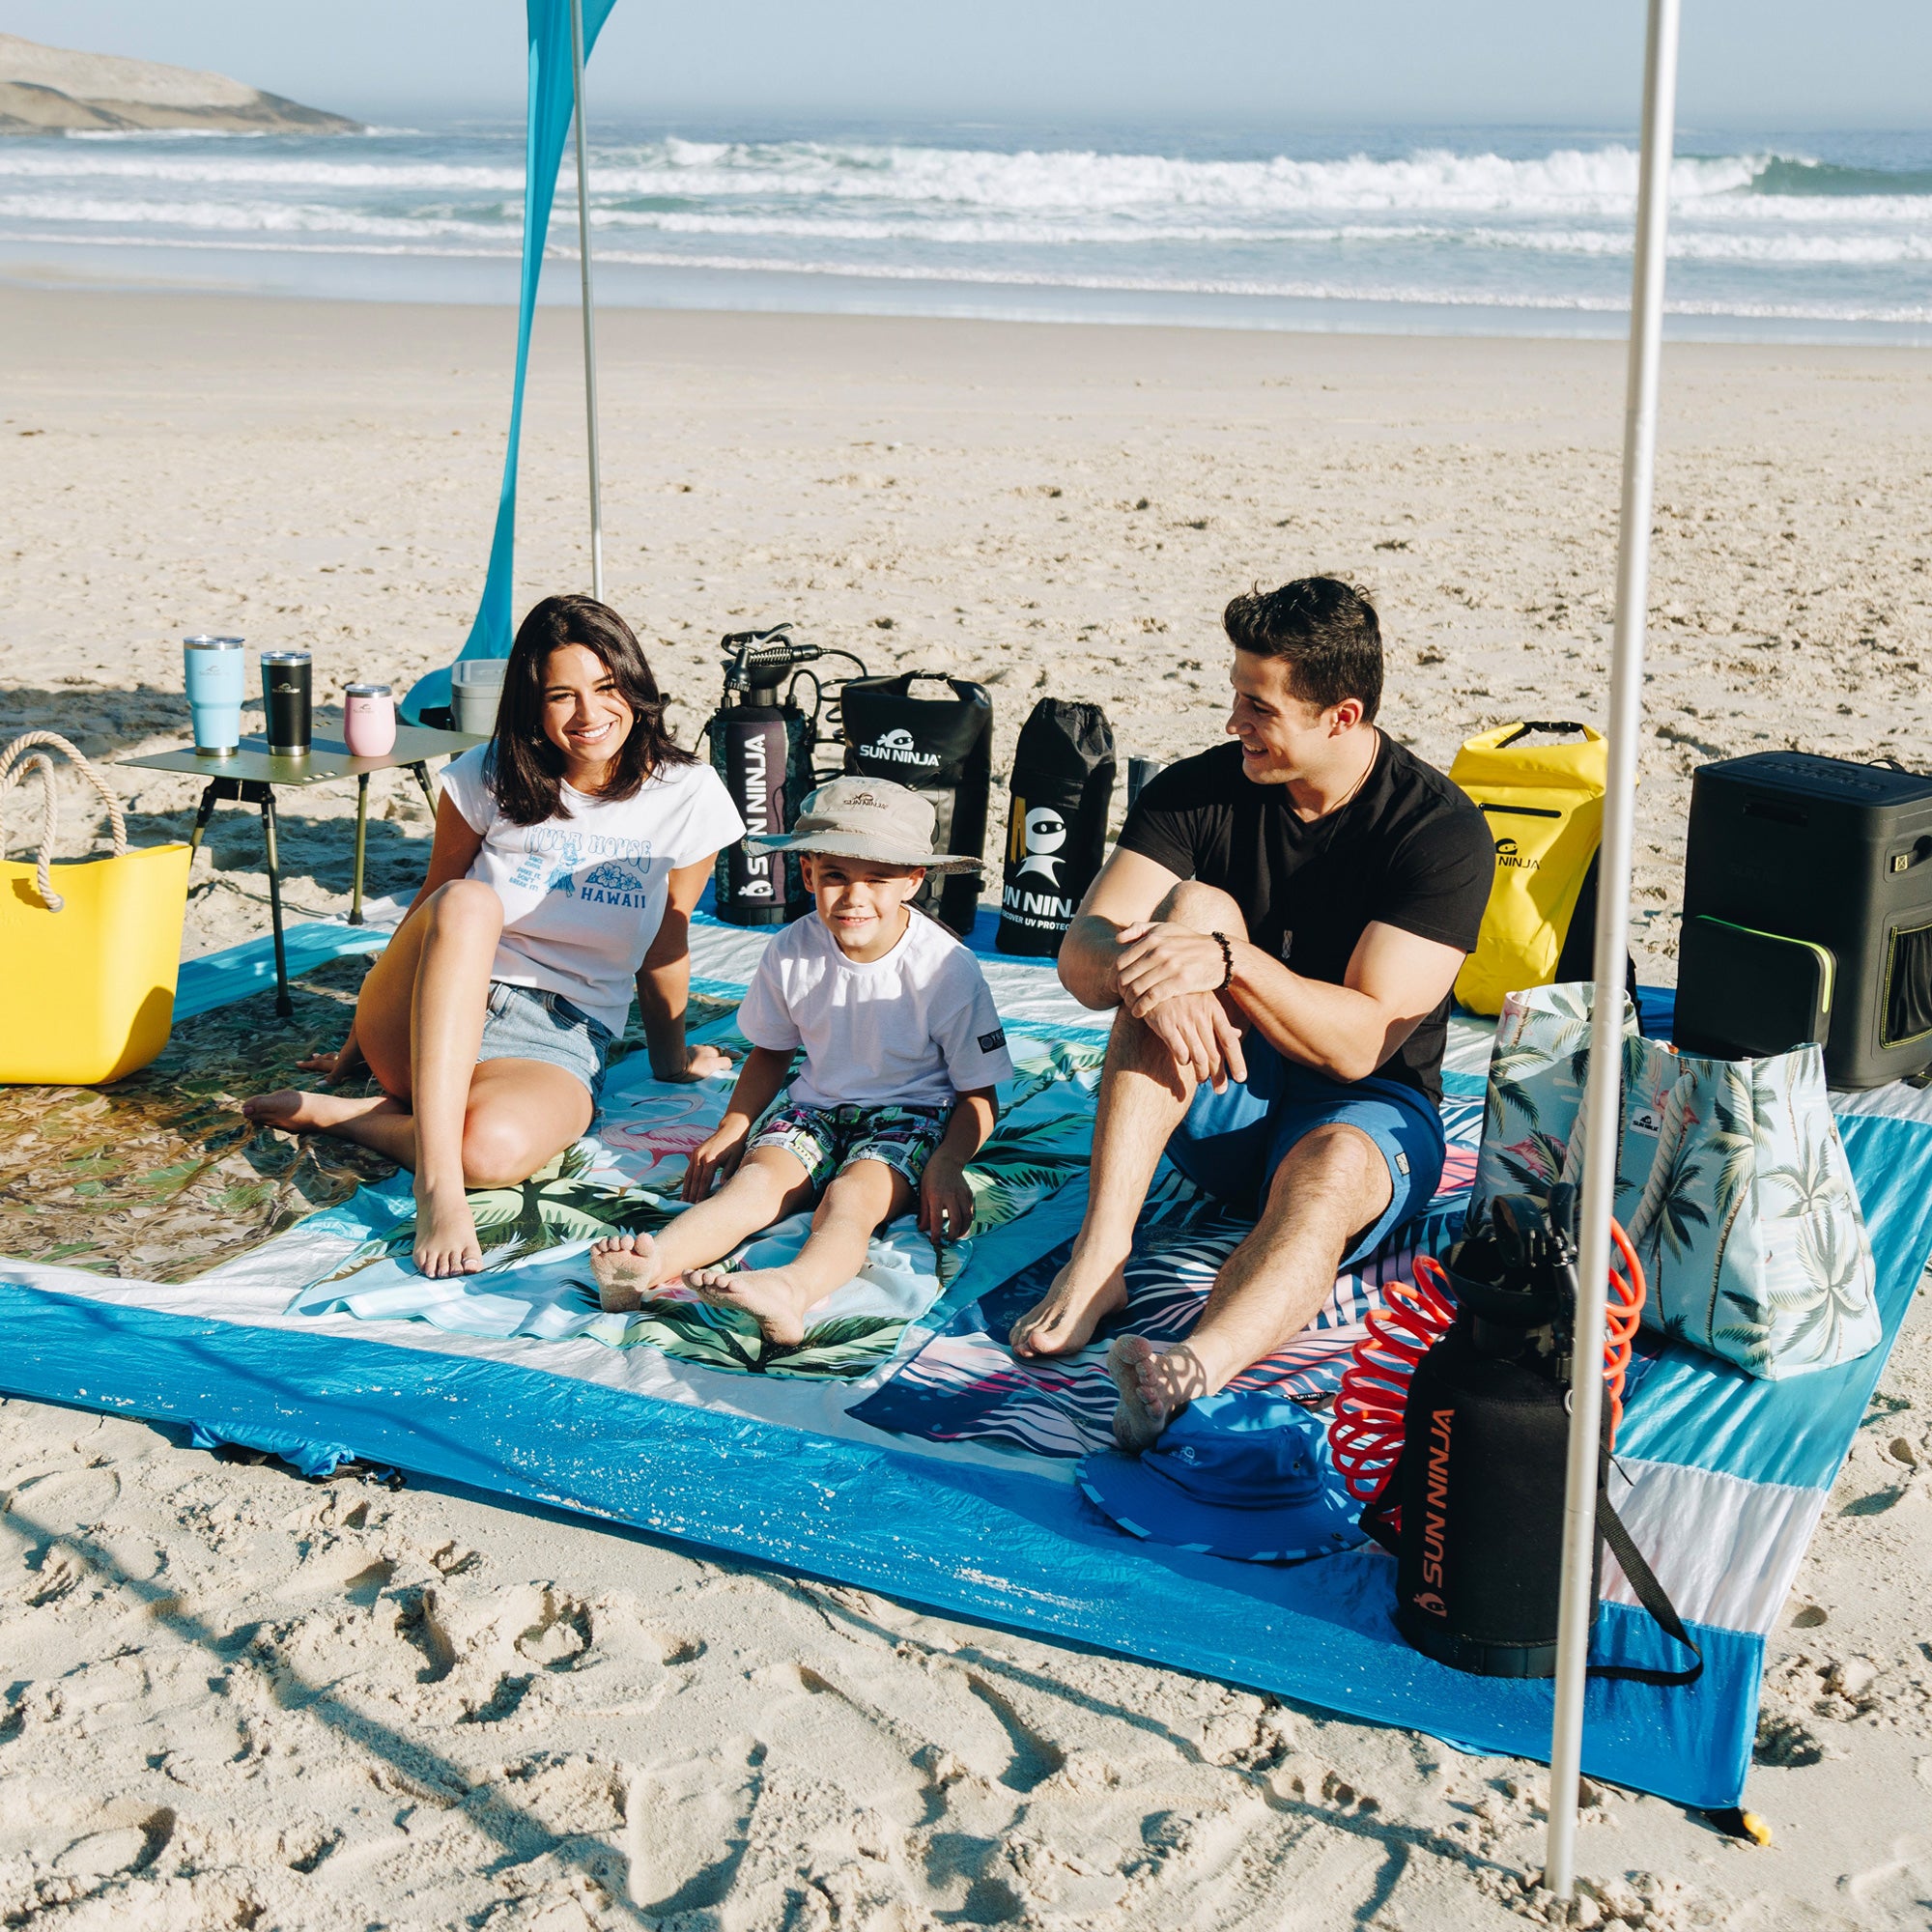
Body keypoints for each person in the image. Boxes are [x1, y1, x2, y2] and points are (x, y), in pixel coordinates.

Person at [1008, 577, 1494, 1450]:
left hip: (1368, 1116)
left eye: (1258, 706)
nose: (1234, 720)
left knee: (1329, 1166)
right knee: (1184, 913)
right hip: (1220, 1095)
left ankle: (1187, 1370)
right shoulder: (1201, 791)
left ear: (1341, 716)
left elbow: (1358, 1045)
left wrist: (1231, 963)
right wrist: (1159, 961)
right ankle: (1102, 1257)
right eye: (1236, 692)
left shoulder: (1438, 832)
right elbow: (1080, 958)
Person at [244, 594, 746, 1277]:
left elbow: (667, 935)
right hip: (430, 1007)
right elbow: (435, 902)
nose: (589, 715)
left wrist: (672, 1059)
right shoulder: (486, 771)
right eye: (561, 696)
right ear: (531, 706)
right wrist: (359, 1038)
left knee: (491, 1155)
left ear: (634, 685)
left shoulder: (687, 792)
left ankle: (345, 1117)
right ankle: (436, 1187)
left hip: (558, 1034)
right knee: (473, 901)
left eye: (605, 688)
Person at [590, 777, 1014, 1342]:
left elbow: (979, 1095)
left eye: (878, 880)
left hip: (912, 1115)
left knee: (850, 1200)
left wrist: (947, 1163)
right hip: (813, 1107)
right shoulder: (790, 948)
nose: (854, 896)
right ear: (809, 873)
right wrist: (735, 1125)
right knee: (753, 1185)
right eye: (835, 875)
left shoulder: (948, 970)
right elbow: (772, 1051)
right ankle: (648, 1265)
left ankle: (791, 1290)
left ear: (914, 882)